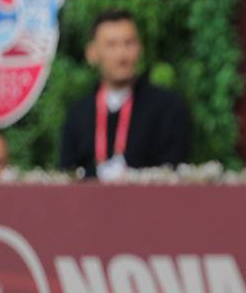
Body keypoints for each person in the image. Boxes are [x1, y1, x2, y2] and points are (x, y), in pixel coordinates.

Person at [58, 10, 192, 179]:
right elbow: (66, 175)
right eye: (111, 45)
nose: (121, 55)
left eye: (128, 43)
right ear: (92, 53)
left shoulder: (168, 107)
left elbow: (174, 170)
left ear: (139, 48)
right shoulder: (78, 114)